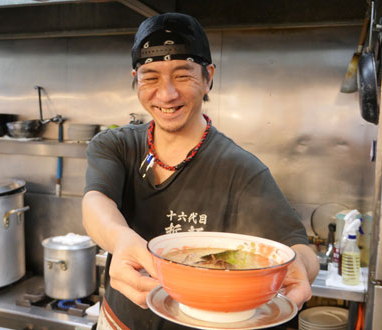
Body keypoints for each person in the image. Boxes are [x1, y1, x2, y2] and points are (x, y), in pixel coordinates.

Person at [82, 12, 319, 330]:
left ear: (208, 77)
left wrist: (299, 266)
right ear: (135, 80)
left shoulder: (239, 169)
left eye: (183, 75)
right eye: (151, 77)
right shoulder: (116, 145)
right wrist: (120, 239)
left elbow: (297, 247)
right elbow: (96, 202)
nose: (166, 94)